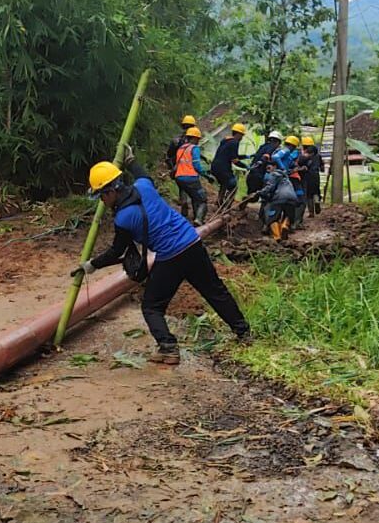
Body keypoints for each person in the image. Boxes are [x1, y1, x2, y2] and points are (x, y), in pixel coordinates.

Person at [72, 146, 251, 365]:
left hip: (171, 257)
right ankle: (244, 333)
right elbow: (143, 175)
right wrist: (131, 161)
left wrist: (91, 265)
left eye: (101, 196)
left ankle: (168, 348)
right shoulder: (143, 187)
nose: (102, 202)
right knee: (215, 290)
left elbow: (116, 251)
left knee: (152, 306)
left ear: (111, 191)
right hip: (193, 243)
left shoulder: (123, 219)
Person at [172, 127, 210, 226]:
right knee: (202, 200)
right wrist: (207, 175)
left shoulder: (181, 148)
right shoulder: (194, 148)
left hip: (179, 178)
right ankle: (199, 219)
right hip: (190, 178)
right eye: (198, 139)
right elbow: (196, 166)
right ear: (193, 138)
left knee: (194, 196)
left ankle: (193, 215)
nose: (198, 141)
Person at [165, 115, 198, 217]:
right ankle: (196, 213)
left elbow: (168, 156)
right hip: (190, 170)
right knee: (194, 191)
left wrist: (172, 168)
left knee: (182, 188)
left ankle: (184, 203)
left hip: (178, 169)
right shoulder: (193, 141)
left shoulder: (176, 140)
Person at [211, 123, 249, 208]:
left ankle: (219, 201)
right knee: (233, 186)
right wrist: (245, 167)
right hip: (223, 168)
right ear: (238, 134)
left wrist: (246, 156)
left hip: (214, 167)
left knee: (224, 183)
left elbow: (231, 155)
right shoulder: (235, 142)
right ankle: (227, 206)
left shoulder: (226, 140)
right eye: (241, 135)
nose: (242, 138)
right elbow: (234, 160)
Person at [256, 163, 298, 241]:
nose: (268, 170)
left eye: (269, 168)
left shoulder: (274, 174)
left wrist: (259, 192)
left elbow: (270, 187)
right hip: (292, 197)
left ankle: (277, 236)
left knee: (272, 218)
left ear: (274, 167)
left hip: (280, 197)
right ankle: (284, 226)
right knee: (288, 215)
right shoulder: (286, 178)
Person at [272, 136, 303, 229]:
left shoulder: (288, 154)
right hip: (281, 177)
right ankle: (286, 223)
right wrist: (282, 168)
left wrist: (295, 166)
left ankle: (275, 225)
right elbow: (276, 157)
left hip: (283, 177)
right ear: (293, 145)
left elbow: (289, 163)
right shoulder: (286, 150)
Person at [246, 130, 282, 195]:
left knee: (250, 195)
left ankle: (243, 203)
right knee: (255, 196)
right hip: (258, 176)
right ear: (277, 142)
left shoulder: (262, 146)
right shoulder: (272, 147)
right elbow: (266, 156)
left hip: (251, 174)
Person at [298, 136, 323, 216]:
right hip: (316, 175)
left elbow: (300, 163)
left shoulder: (305, 156)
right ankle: (317, 201)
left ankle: (311, 212)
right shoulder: (318, 156)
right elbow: (322, 167)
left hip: (307, 176)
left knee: (309, 194)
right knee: (316, 191)